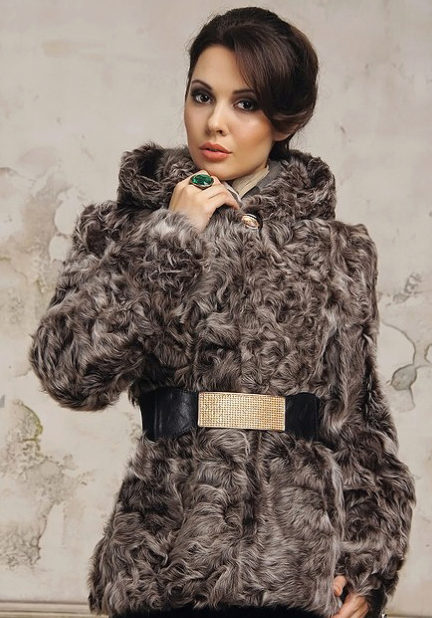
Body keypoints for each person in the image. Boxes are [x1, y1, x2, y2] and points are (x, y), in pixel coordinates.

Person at [27, 6, 416, 618]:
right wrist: (170, 240)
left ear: (285, 120)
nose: (215, 122)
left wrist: (368, 566)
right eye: (202, 95)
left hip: (294, 571)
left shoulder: (337, 250)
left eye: (246, 104)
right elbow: (69, 374)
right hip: (160, 561)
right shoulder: (121, 230)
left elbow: (359, 422)